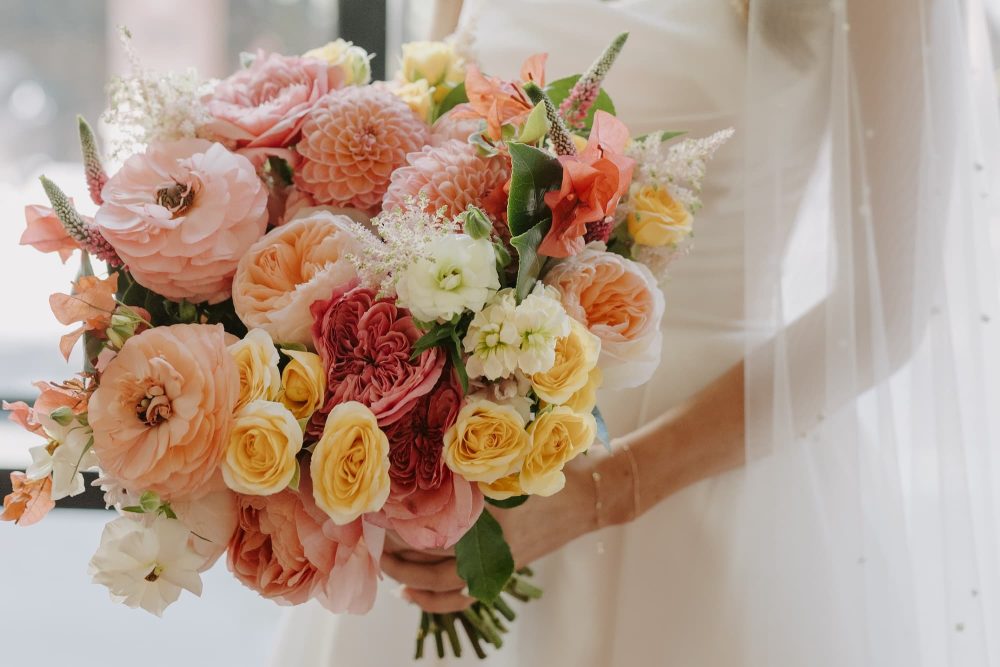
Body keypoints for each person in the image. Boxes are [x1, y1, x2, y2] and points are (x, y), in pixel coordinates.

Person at [272, 0, 1000, 664]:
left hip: (704, 483)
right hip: (471, 452)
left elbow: (887, 313)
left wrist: (602, 491)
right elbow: (431, 145)